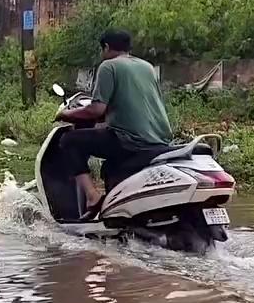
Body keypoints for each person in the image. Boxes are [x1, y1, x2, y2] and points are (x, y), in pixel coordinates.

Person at [55, 29, 173, 220]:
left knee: (69, 140)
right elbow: (125, 105)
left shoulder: (108, 66)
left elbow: (96, 110)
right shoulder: (147, 67)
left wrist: (65, 114)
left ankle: (92, 197)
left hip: (129, 140)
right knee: (111, 166)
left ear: (107, 47)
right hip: (159, 139)